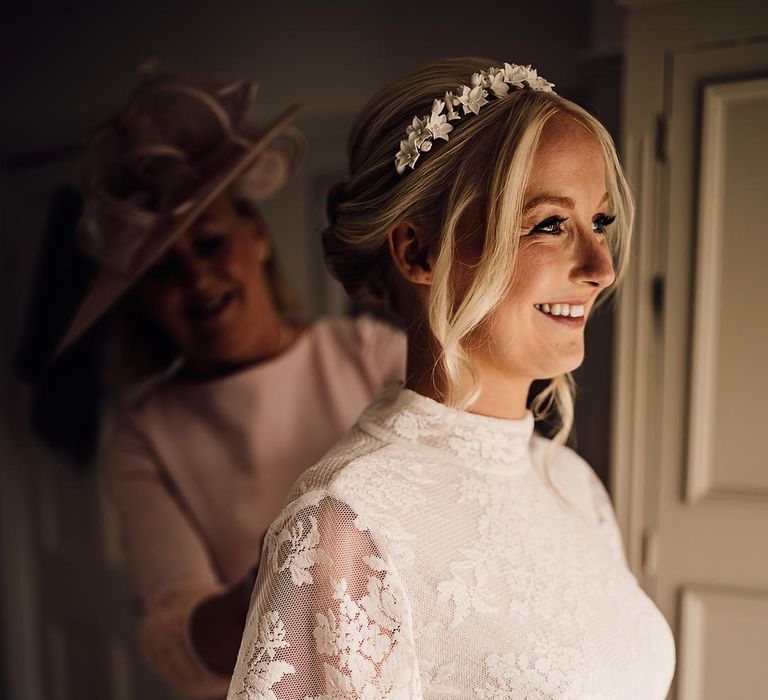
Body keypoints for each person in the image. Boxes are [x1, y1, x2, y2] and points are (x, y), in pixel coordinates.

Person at [227, 58, 676, 699]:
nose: (600, 266)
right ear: (419, 252)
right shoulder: (346, 527)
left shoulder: (574, 485)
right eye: (550, 224)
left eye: (599, 222)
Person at [51, 66, 406, 699]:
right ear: (142, 299)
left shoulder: (372, 355)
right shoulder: (144, 435)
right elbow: (176, 644)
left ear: (257, 237)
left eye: (210, 243)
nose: (195, 279)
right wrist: (286, 573)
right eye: (163, 271)